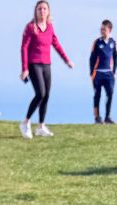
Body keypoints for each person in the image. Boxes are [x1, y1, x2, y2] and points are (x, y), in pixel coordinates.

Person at [20, 1, 73, 139]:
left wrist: (66, 60)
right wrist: (25, 68)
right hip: (34, 65)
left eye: (44, 9)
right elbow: (24, 48)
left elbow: (56, 43)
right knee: (40, 93)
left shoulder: (49, 27)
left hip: (46, 65)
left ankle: (41, 127)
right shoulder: (30, 27)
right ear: (36, 11)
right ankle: (25, 122)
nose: (42, 11)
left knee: (46, 95)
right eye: (39, 9)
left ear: (48, 11)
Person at [90, 19, 117, 124]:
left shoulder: (113, 43)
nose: (102, 31)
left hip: (109, 74)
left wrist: (114, 72)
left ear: (109, 30)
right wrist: (92, 73)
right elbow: (92, 58)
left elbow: (115, 58)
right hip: (98, 73)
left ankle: (107, 117)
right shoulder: (96, 42)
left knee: (110, 94)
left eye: (104, 29)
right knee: (97, 95)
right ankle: (97, 117)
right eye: (101, 29)